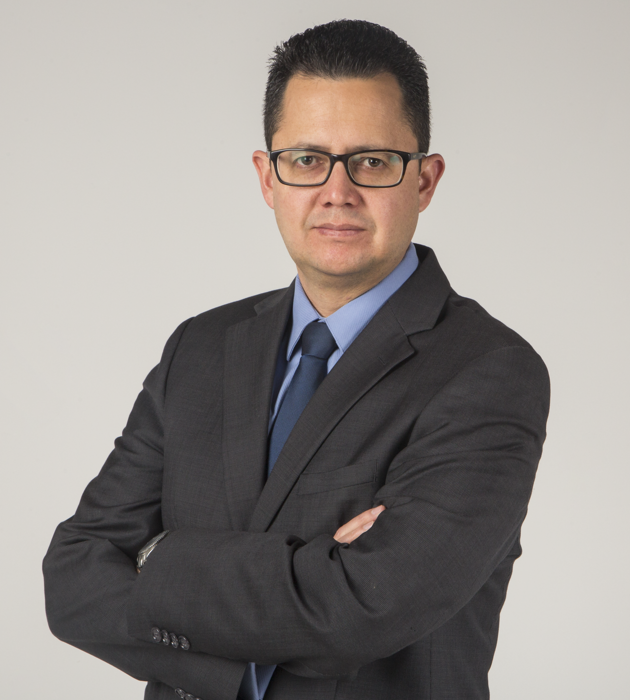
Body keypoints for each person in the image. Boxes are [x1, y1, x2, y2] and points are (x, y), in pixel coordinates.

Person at [43, 19, 550, 700]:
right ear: (268, 177)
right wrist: (307, 577)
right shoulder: (200, 347)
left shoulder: (489, 371)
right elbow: (73, 577)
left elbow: (364, 609)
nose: (337, 192)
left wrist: (157, 556)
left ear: (425, 181)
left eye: (373, 161)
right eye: (308, 159)